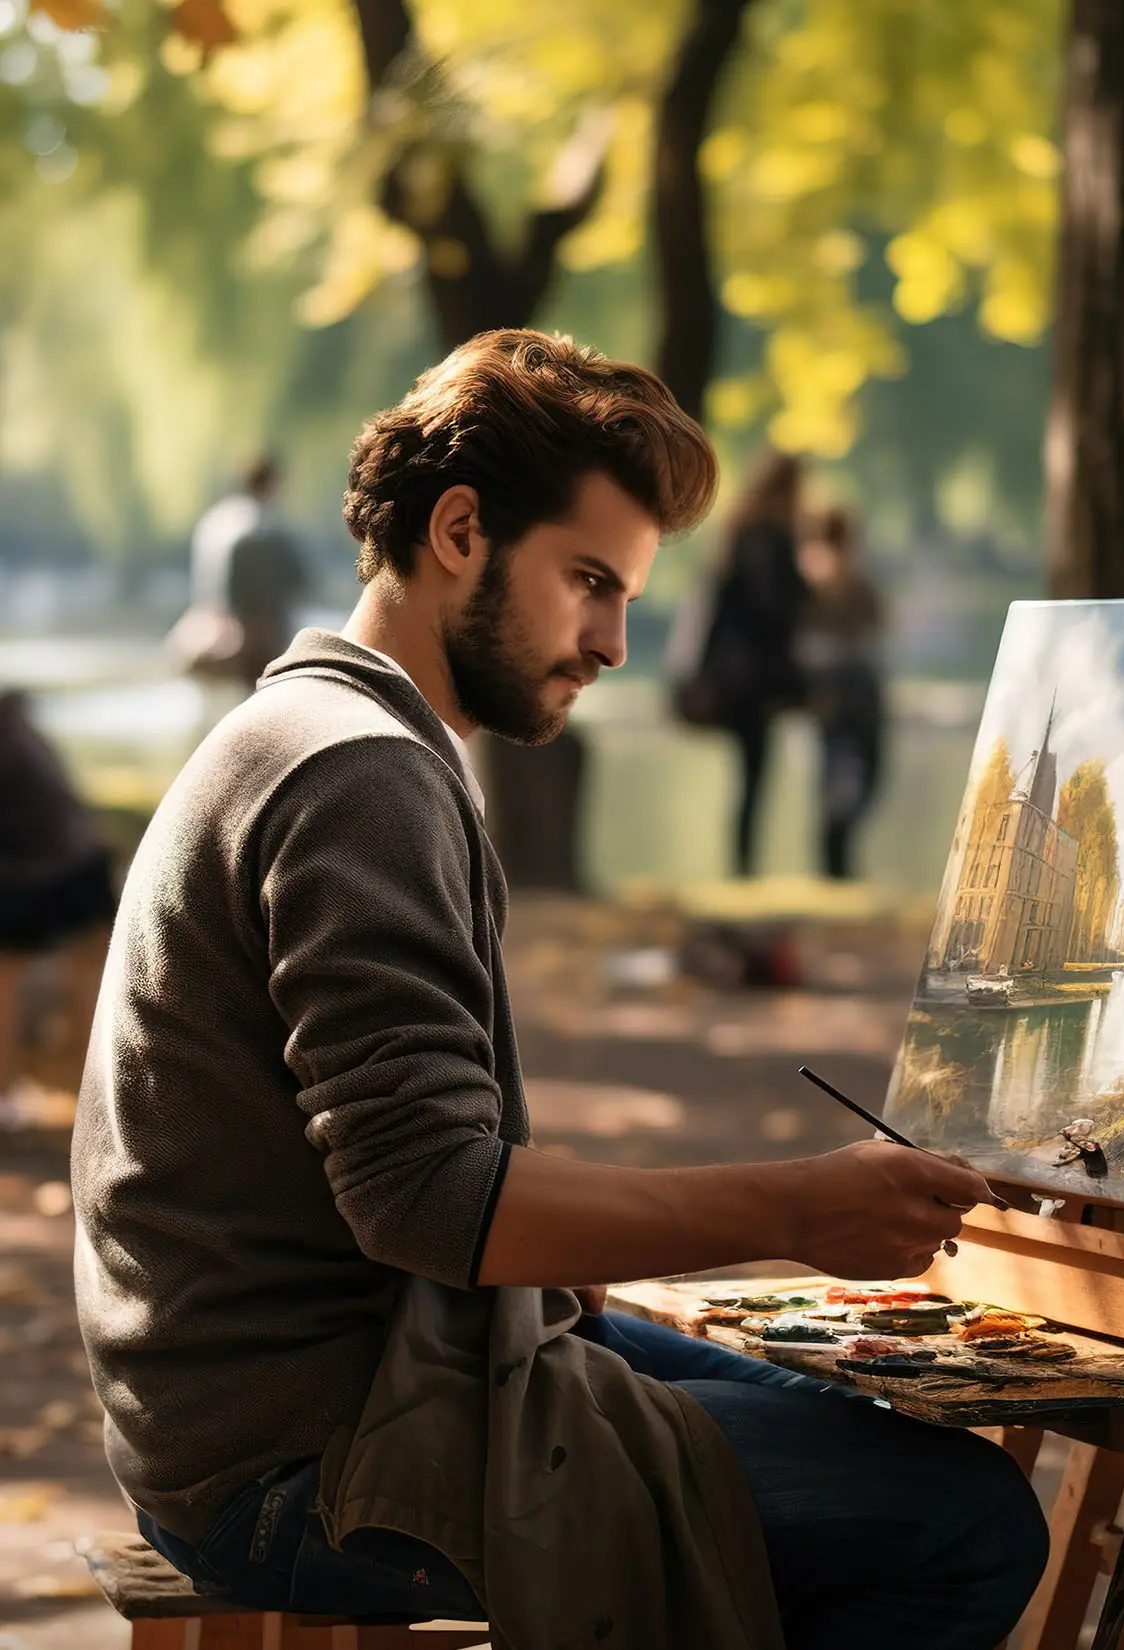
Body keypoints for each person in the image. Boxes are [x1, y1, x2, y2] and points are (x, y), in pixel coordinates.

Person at [71, 331, 1047, 1650]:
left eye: (629, 595)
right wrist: (796, 1204)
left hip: (328, 1383)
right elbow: (431, 1198)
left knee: (869, 1428)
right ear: (461, 530)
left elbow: (414, 1168)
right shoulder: (358, 770)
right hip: (299, 1450)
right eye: (591, 582)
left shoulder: (332, 732)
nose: (615, 644)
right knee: (964, 1522)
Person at [688, 449, 809, 876]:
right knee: (755, 773)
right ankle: (743, 866)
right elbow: (771, 609)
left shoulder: (740, 533)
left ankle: (742, 865)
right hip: (753, 679)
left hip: (737, 673)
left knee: (750, 774)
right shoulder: (767, 538)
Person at [0, 689, 116, 1125]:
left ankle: (97, 1089)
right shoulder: (15, 722)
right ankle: (100, 1087)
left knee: (8, 975)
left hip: (40, 872)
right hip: (71, 863)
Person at [168, 454, 309, 692]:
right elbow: (301, 581)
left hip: (208, 622)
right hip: (257, 634)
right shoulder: (269, 529)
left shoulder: (214, 521)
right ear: (273, 484)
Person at [797, 506, 886, 879]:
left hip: (844, 694)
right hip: (848, 694)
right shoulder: (826, 583)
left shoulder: (836, 581)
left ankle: (836, 870)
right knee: (848, 783)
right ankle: (836, 871)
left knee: (842, 782)